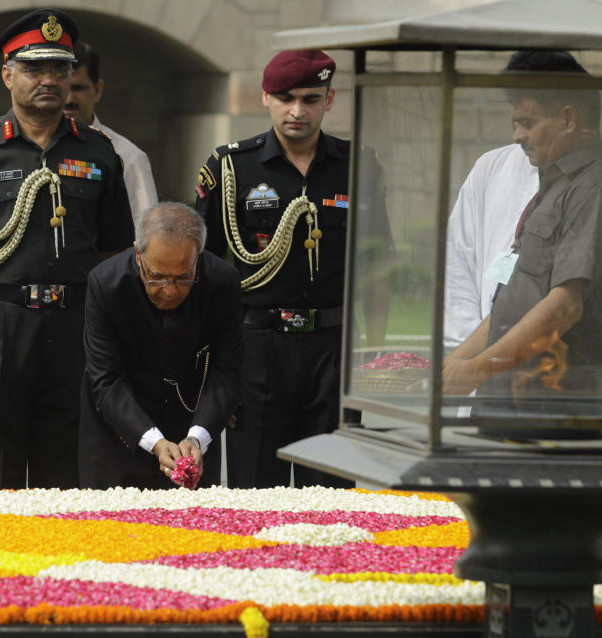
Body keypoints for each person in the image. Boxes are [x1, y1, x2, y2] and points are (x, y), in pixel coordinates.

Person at [0, 9, 134, 489]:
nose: (49, 80)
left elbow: (115, 250)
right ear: (7, 74)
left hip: (74, 322)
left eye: (60, 68)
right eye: (34, 69)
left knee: (66, 453)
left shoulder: (98, 152)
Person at [195, 50, 392, 488]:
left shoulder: (359, 165)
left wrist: (371, 358)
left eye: (310, 98)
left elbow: (376, 265)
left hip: (334, 351)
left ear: (330, 99)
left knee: (332, 492)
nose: (297, 111)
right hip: (257, 348)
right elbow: (203, 271)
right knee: (255, 489)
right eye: (285, 98)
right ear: (266, 98)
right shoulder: (230, 167)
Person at [443, 51, 602, 417]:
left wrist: (478, 368)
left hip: (553, 409)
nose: (517, 136)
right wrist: (452, 365)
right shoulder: (557, 184)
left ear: (568, 118)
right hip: (512, 401)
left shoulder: (599, 185)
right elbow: (513, 302)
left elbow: (565, 305)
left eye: (527, 123)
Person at [80, 202, 241, 489]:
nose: (169, 291)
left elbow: (226, 373)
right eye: (156, 277)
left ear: (198, 257)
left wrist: (197, 437)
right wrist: (154, 442)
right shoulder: (105, 283)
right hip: (119, 436)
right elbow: (105, 379)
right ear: (137, 254)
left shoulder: (223, 282)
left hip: (192, 434)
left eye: (182, 278)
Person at [64, 40, 158, 219]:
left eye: (78, 88)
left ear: (97, 90)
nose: (69, 99)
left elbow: (148, 234)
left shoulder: (127, 156)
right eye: (64, 88)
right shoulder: (33, 150)